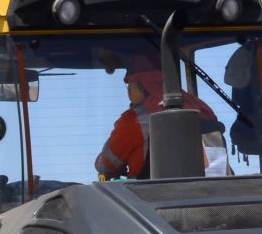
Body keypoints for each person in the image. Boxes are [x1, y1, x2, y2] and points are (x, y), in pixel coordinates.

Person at [95, 68, 232, 180]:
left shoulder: (134, 120)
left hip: (151, 201)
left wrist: (100, 163)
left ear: (138, 87)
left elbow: (107, 165)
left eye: (129, 87)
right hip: (215, 196)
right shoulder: (202, 110)